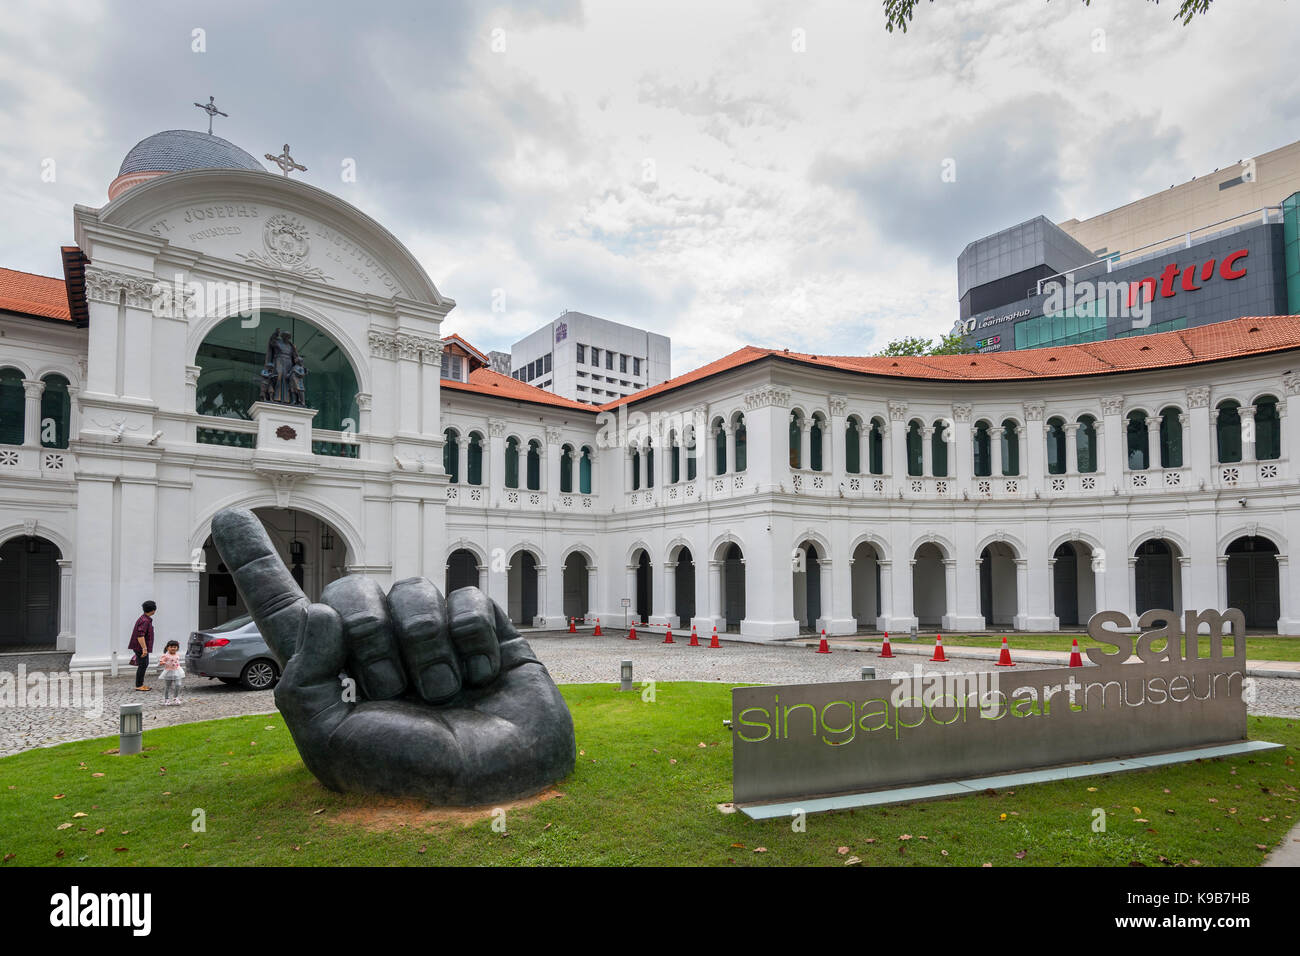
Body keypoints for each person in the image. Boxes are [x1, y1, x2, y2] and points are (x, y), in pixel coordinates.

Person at [130, 600, 157, 691]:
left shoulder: (144, 618)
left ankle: (140, 684)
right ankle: (139, 685)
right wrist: (144, 649)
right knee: (143, 665)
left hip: (139, 647)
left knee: (143, 664)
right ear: (153, 610)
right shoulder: (145, 620)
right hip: (141, 647)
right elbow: (140, 635)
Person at [158, 640, 184, 705]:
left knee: (178, 684)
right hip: (168, 672)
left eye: (175, 647)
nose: (173, 648)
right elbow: (161, 662)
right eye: (171, 647)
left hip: (177, 671)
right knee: (168, 686)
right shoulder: (166, 655)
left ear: (177, 648)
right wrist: (163, 662)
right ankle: (166, 699)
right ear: (167, 648)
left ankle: (176, 697)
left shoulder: (177, 655)